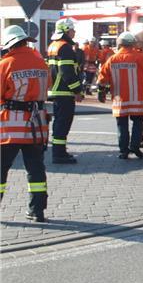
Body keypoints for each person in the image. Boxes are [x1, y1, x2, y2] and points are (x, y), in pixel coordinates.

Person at [0, 25, 50, 222]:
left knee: (1, 168)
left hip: (11, 126)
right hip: (36, 125)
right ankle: (37, 210)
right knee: (36, 168)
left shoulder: (6, 64)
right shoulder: (40, 62)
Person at [97, 32, 143, 159]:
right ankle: (135, 146)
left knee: (122, 125)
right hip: (137, 98)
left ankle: (123, 151)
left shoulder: (112, 59)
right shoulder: (138, 57)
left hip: (120, 100)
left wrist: (101, 92)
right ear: (132, 44)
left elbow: (102, 77)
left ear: (120, 43)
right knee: (137, 122)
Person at [47, 18, 84, 164]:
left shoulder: (53, 46)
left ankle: (59, 151)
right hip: (64, 92)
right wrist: (77, 90)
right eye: (73, 29)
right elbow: (67, 72)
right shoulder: (66, 48)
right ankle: (59, 154)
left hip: (55, 91)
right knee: (63, 124)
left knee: (59, 123)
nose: (74, 32)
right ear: (67, 31)